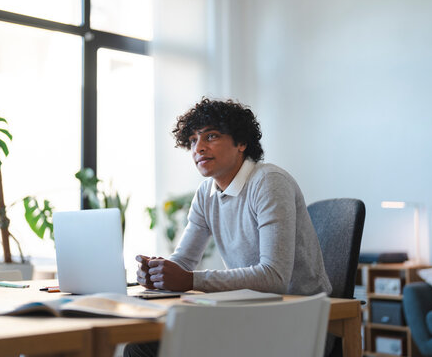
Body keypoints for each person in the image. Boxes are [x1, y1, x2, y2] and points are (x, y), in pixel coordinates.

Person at [124, 98, 331, 357]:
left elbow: (274, 278)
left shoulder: (268, 182)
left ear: (241, 143)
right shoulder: (205, 193)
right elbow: (184, 261)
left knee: (149, 347)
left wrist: (189, 280)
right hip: (248, 312)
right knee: (142, 344)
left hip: (296, 319)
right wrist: (159, 275)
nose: (198, 147)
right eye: (192, 140)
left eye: (211, 136)